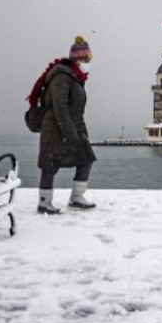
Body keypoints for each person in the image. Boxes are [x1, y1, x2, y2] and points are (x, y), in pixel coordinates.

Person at [33, 35, 97, 214]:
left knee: (86, 158)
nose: (88, 62)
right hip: (54, 127)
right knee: (50, 164)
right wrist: (70, 134)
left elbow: (76, 109)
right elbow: (60, 107)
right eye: (87, 58)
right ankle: (44, 203)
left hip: (72, 126)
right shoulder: (62, 76)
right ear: (78, 59)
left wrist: (81, 131)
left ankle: (77, 197)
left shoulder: (76, 78)